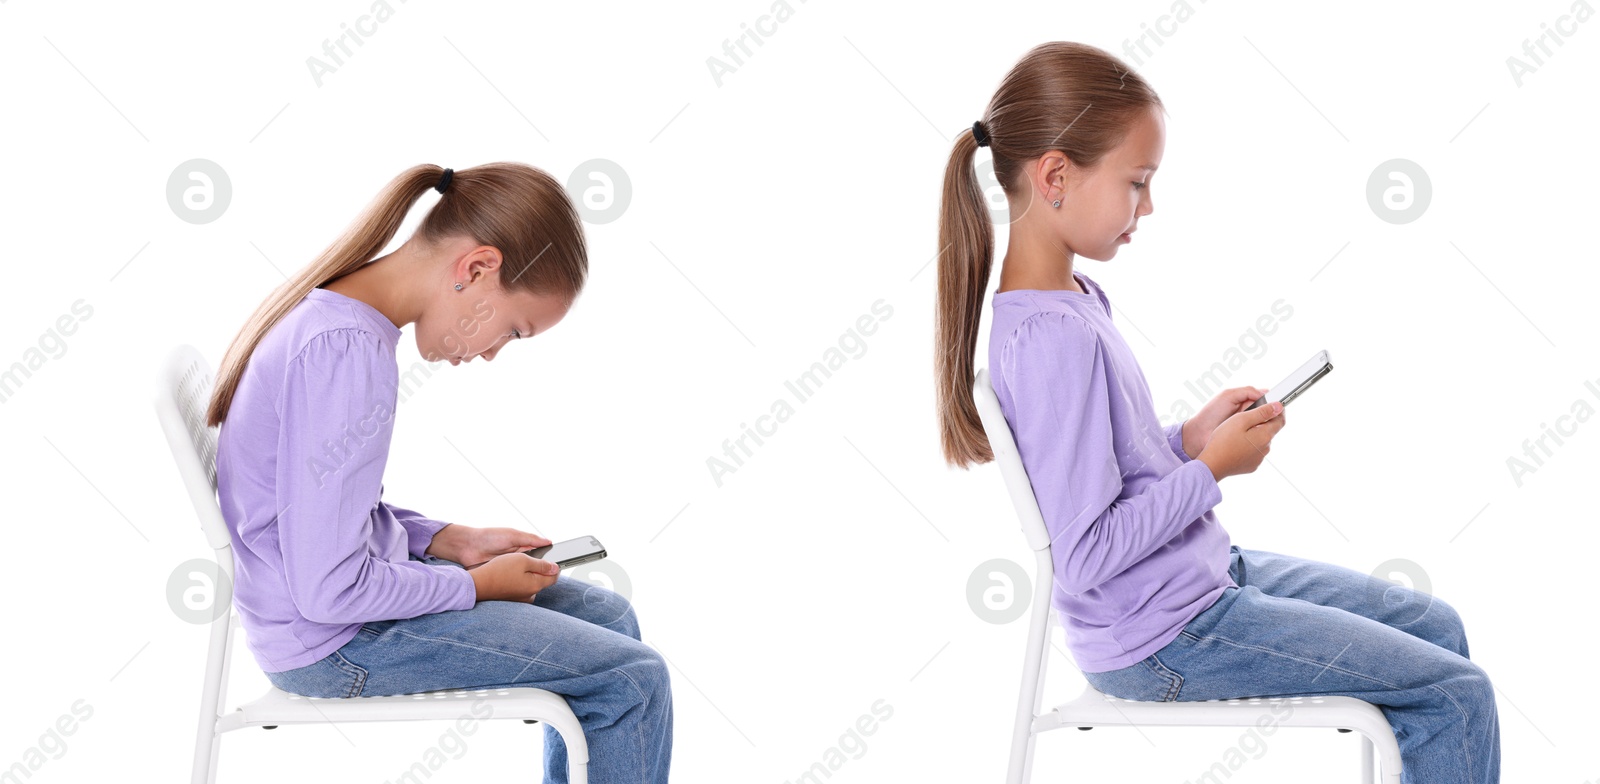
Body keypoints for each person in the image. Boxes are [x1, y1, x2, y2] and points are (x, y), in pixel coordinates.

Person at [933, 42, 1498, 783]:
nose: (1148, 206)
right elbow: (1084, 554)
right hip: (1163, 634)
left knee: (1439, 628)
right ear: (1057, 176)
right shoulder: (1049, 339)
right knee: (1458, 696)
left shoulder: (1073, 301)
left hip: (1190, 578)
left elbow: (1110, 472)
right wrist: (1209, 470)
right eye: (1136, 182)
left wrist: (1187, 439)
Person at [207, 162, 672, 784]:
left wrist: (449, 541)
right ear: (476, 268)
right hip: (336, 644)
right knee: (632, 680)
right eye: (511, 328)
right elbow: (327, 589)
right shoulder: (347, 354)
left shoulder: (343, 326)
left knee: (613, 622)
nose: (490, 353)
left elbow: (317, 511)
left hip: (333, 613)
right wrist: (475, 586)